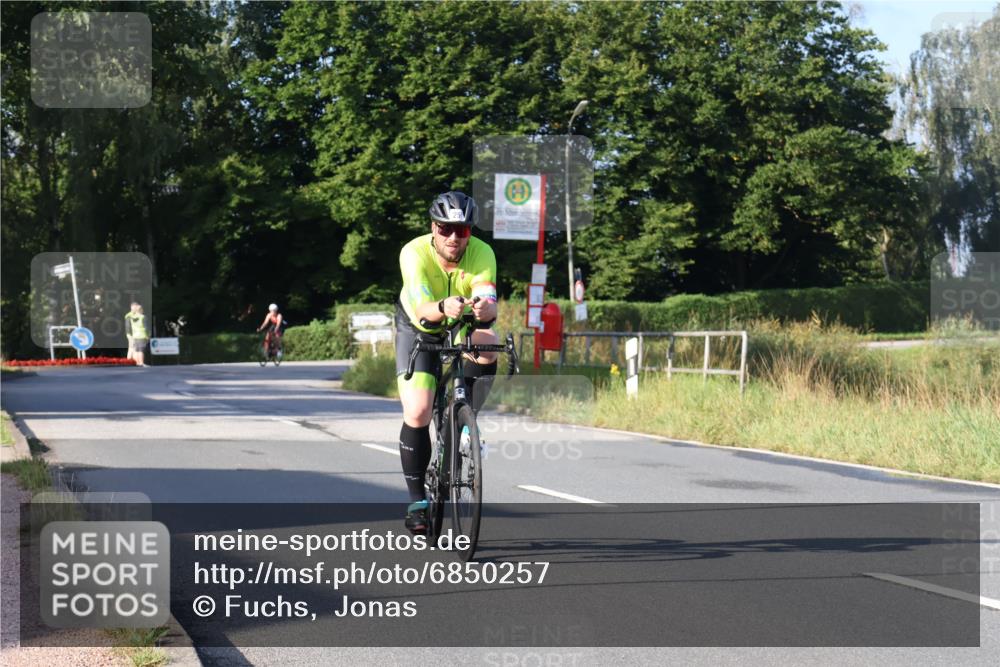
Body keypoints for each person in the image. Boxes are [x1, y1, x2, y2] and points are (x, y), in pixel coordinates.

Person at [395, 191, 499, 535]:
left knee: (488, 343)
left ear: (470, 232)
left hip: (461, 320)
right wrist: (442, 307)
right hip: (420, 324)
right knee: (419, 411)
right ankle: (417, 502)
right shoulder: (413, 253)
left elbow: (489, 300)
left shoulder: (483, 252)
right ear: (433, 228)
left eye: (463, 230)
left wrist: (486, 307)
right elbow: (424, 309)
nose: (454, 237)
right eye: (445, 229)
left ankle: (464, 418)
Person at [124, 302, 149, 367]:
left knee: (134, 349)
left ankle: (135, 362)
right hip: (138, 335)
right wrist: (129, 334)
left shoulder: (132, 316)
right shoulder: (135, 316)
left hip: (135, 335)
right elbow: (128, 326)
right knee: (137, 349)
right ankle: (138, 362)